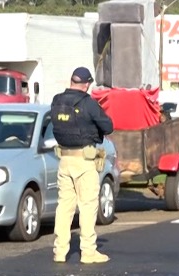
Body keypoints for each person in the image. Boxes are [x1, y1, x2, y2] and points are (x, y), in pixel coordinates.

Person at [51, 66, 114, 264]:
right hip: (84, 161)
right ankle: (88, 251)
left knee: (64, 207)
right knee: (87, 206)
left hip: (64, 160)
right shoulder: (89, 104)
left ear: (71, 81)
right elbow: (108, 126)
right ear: (87, 84)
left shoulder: (57, 101)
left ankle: (60, 251)